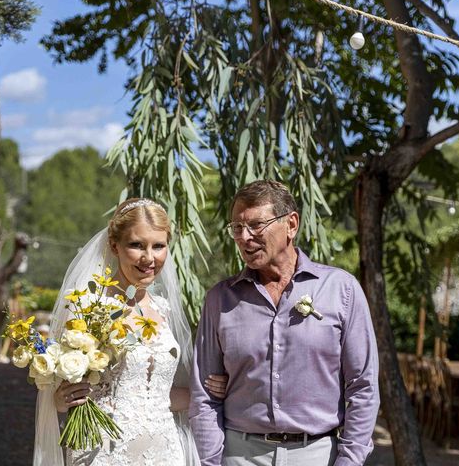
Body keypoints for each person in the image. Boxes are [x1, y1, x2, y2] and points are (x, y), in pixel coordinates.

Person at [190, 180, 380, 466]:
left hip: (318, 455)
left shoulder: (341, 290)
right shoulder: (220, 299)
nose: (244, 237)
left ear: (291, 224)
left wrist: (349, 460)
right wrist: (209, 462)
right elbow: (204, 394)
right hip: (240, 455)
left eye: (256, 225)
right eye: (237, 228)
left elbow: (363, 386)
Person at [33, 198, 227, 466]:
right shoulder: (88, 306)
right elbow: (59, 396)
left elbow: (158, 395)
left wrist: (225, 387)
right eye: (137, 245)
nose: (149, 258)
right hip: (102, 450)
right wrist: (61, 398)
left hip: (165, 451)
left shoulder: (164, 310)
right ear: (115, 245)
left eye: (158, 246)